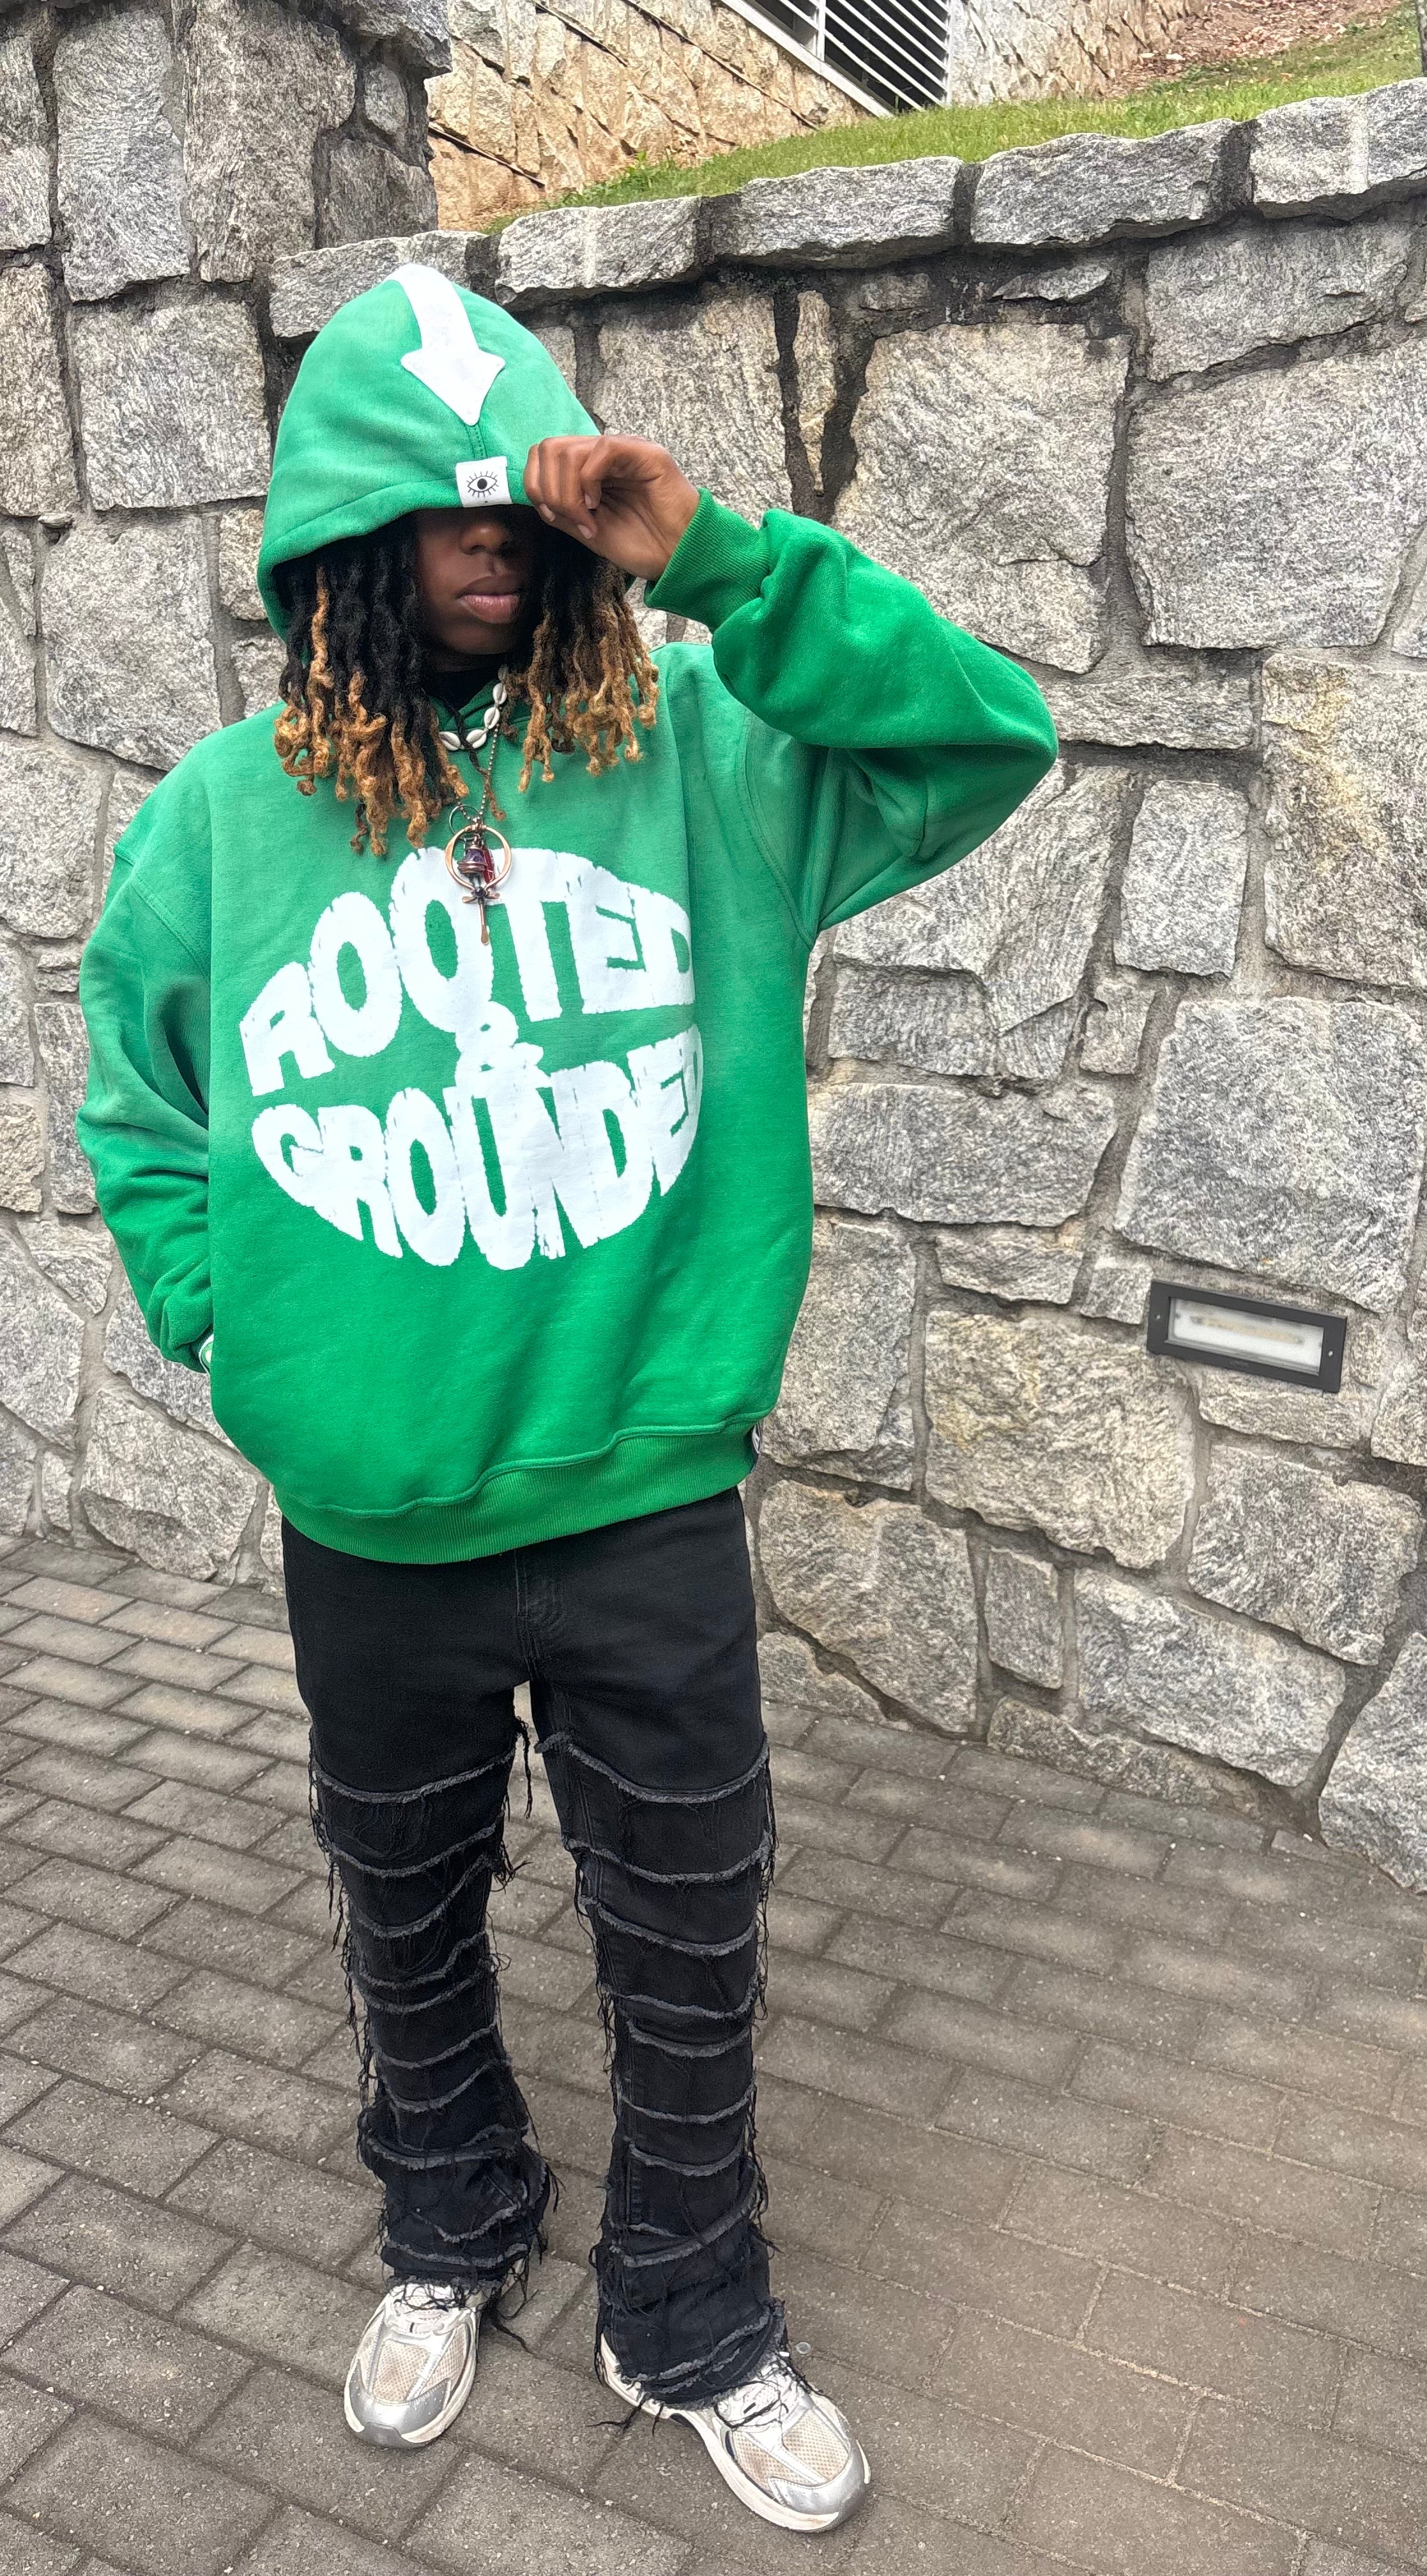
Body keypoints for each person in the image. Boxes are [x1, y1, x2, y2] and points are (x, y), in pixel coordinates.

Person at [78, 265, 1056, 2536]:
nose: (490, 540)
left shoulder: (703, 749)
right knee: (403, 1915)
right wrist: (232, 1322)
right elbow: (136, 1089)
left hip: (642, 1496)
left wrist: (719, 558)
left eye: (520, 499)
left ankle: (690, 2311)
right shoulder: (220, 816)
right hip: (375, 1517)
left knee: (690, 1942)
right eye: (436, 510)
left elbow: (980, 737)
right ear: (341, 548)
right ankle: (451, 2225)